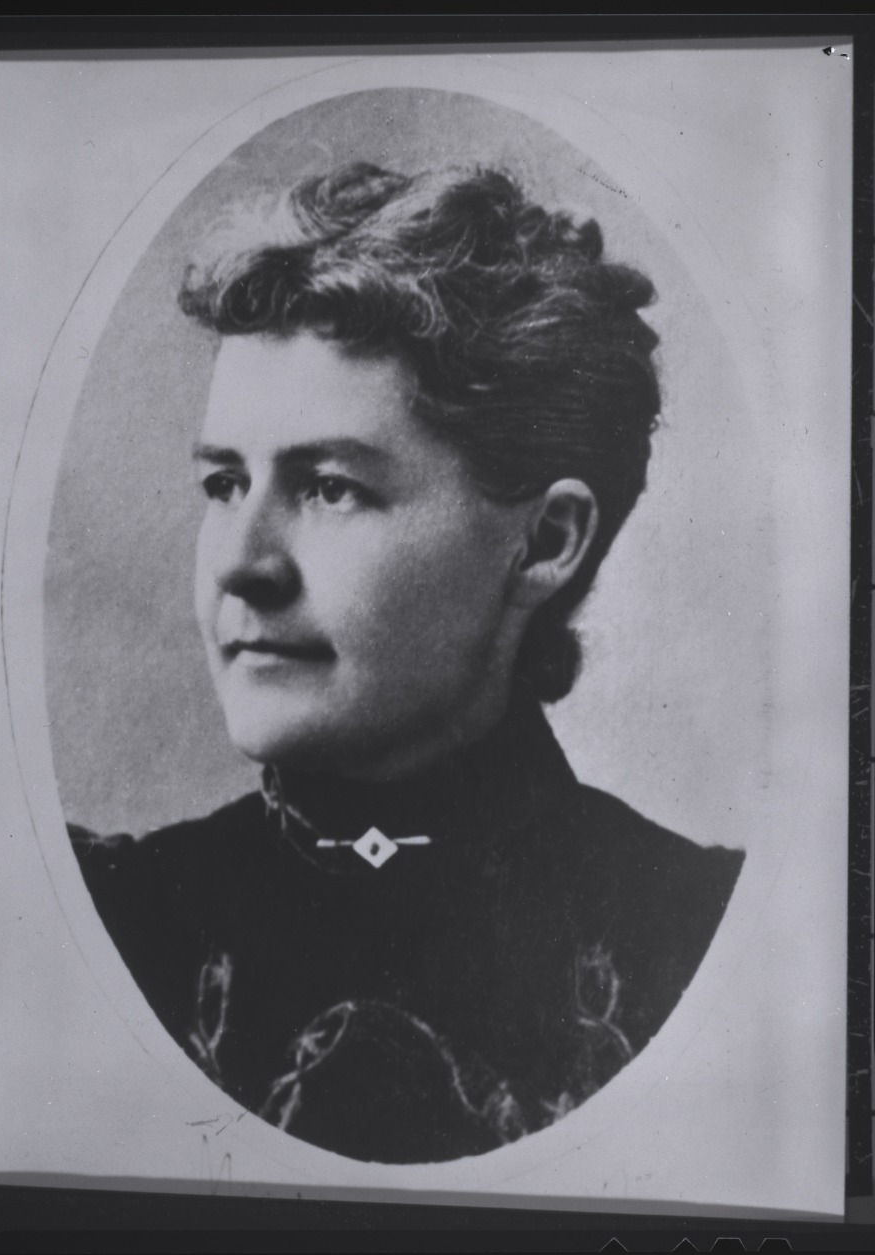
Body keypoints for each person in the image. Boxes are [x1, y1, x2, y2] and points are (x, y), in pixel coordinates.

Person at [70, 162, 744, 1165]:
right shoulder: (102, 916)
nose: (242, 564)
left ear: (546, 540)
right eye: (224, 482)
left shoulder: (711, 936)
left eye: (330, 486)